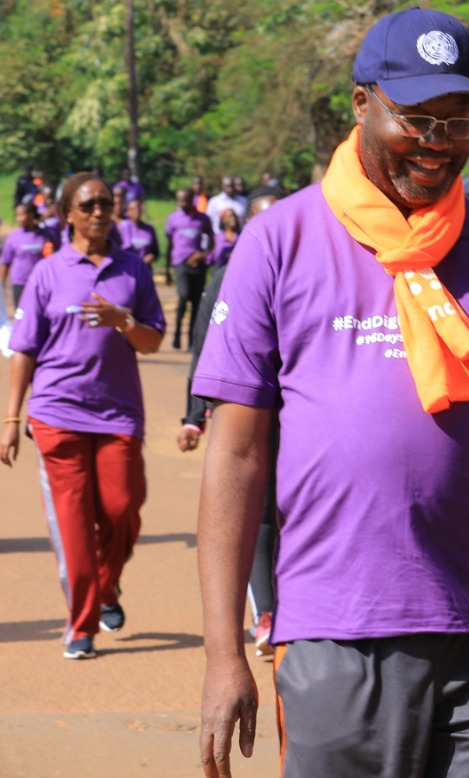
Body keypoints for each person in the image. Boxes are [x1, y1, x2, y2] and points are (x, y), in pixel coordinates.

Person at [194, 10, 469, 778]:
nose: (439, 143)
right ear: (362, 104)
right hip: (340, 636)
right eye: (417, 117)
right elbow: (237, 460)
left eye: (459, 120)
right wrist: (224, 654)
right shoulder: (280, 241)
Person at [0, 172, 166, 660]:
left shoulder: (132, 269)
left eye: (106, 204)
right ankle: (81, 624)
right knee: (74, 523)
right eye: (89, 205)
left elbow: (152, 341)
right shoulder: (48, 273)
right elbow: (24, 350)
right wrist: (11, 421)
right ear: (67, 213)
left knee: (123, 507)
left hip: (118, 413)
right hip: (57, 412)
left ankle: (107, 587)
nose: (99, 212)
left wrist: (124, 321)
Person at [178, 184, 286, 658]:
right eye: (260, 220)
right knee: (260, 513)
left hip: (301, 413)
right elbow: (205, 351)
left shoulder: (315, 269)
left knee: (294, 508)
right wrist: (194, 416)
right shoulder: (227, 276)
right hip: (249, 411)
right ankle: (266, 613)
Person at [165, 187, 213, 350]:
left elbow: (212, 242)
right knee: (184, 295)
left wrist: (203, 255)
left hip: (197, 264)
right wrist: (167, 270)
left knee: (196, 302)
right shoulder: (173, 218)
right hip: (180, 263)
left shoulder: (203, 219)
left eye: (185, 200)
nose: (181, 203)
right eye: (179, 200)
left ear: (192, 199)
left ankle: (192, 340)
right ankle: (177, 334)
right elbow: (169, 245)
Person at [0, 202, 56, 310]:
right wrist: (1, 283)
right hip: (20, 281)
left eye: (22, 215)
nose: (19, 219)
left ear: (31, 215)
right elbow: (5, 262)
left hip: (40, 281)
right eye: (17, 216)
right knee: (21, 313)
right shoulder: (14, 237)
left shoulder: (45, 235)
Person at [115, 198, 160, 271]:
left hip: (145, 270)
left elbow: (156, 252)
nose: (137, 211)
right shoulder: (123, 228)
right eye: (133, 209)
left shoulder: (149, 229)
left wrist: (151, 256)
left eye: (139, 208)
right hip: (128, 269)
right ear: (128, 212)